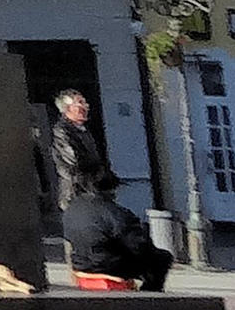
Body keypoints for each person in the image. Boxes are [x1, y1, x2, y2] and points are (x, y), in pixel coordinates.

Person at [39, 86, 174, 290]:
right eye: (80, 103)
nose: (85, 106)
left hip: (93, 194)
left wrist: (108, 178)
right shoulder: (62, 131)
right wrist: (101, 176)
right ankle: (84, 286)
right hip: (78, 197)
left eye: (84, 102)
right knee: (83, 249)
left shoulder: (83, 132)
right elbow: (76, 164)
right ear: (67, 109)